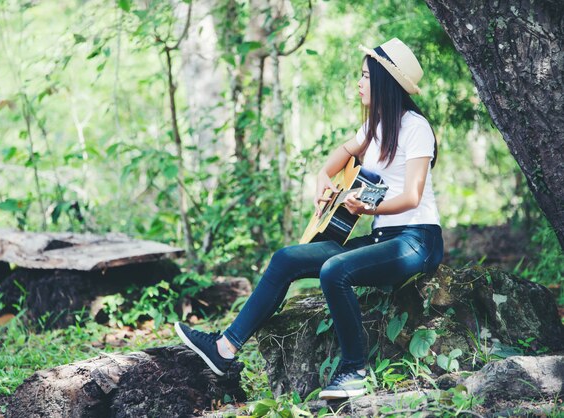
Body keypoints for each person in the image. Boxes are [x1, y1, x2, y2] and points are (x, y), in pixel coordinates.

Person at [175, 37, 444, 400]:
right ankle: (225, 349)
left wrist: (368, 209)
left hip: (417, 240)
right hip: (384, 238)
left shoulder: (416, 128)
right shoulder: (375, 129)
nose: (359, 84)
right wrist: (323, 181)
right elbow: (336, 160)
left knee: (336, 269)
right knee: (286, 258)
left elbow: (412, 195)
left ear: (385, 82)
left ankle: (354, 371)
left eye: (365, 77)